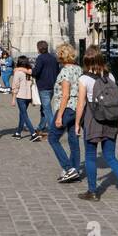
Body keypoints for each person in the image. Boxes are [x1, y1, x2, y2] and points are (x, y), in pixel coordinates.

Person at [75, 50, 118, 206]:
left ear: (87, 62)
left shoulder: (84, 79)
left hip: (92, 120)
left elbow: (81, 104)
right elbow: (115, 102)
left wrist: (77, 124)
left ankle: (92, 192)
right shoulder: (110, 77)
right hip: (111, 120)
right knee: (110, 156)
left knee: (90, 156)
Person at [48, 43, 83, 182]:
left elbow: (65, 95)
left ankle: (69, 168)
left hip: (66, 108)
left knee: (52, 138)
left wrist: (59, 115)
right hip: (77, 108)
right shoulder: (79, 69)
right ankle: (75, 168)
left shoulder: (65, 71)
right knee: (73, 139)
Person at [31, 40, 58, 140]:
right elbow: (57, 71)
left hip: (43, 87)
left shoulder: (40, 58)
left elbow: (36, 72)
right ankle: (40, 127)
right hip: (52, 86)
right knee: (44, 108)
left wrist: (30, 71)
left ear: (38, 49)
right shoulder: (53, 58)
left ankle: (53, 131)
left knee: (47, 109)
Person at [10, 55, 37, 140]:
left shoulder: (18, 73)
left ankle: (33, 133)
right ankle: (18, 132)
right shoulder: (29, 72)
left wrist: (13, 99)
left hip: (21, 96)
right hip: (28, 96)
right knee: (22, 114)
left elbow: (15, 86)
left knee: (24, 115)